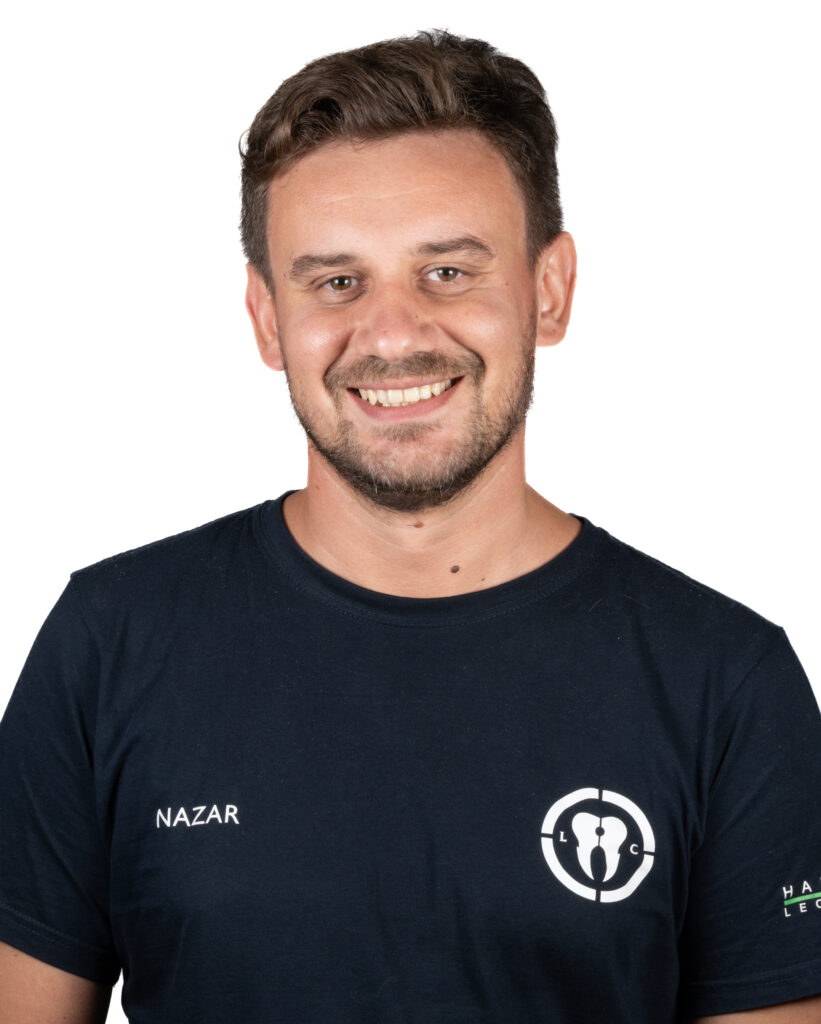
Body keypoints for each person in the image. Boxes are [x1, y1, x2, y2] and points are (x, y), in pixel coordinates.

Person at [1, 29, 820, 1024]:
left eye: (447, 271)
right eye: (336, 281)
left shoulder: (725, 683)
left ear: (549, 290)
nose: (391, 335)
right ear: (266, 317)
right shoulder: (109, 643)